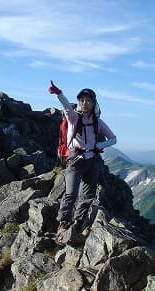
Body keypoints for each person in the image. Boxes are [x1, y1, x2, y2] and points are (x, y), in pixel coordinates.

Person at [49, 80, 117, 237]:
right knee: (71, 193)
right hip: (75, 160)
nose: (85, 103)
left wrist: (100, 145)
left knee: (87, 196)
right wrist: (59, 93)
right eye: (82, 100)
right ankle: (64, 222)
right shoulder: (73, 117)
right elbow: (66, 106)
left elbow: (113, 139)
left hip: (92, 161)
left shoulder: (97, 122)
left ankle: (79, 223)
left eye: (88, 100)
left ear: (93, 103)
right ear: (79, 102)